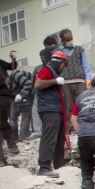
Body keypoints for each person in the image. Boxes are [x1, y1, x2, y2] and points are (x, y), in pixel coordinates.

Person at [34, 50, 70, 178]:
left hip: (56, 109)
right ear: (61, 64)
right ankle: (44, 166)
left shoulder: (51, 71)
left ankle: (59, 165)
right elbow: (38, 83)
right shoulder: (47, 69)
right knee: (49, 137)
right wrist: (55, 81)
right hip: (50, 110)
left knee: (59, 139)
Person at [57, 29, 92, 116]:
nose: (70, 41)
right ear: (62, 40)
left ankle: (85, 123)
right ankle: (72, 128)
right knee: (69, 107)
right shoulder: (58, 52)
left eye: (71, 39)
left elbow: (85, 65)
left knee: (84, 103)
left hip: (80, 81)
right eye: (67, 40)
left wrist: (88, 79)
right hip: (65, 83)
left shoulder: (79, 50)